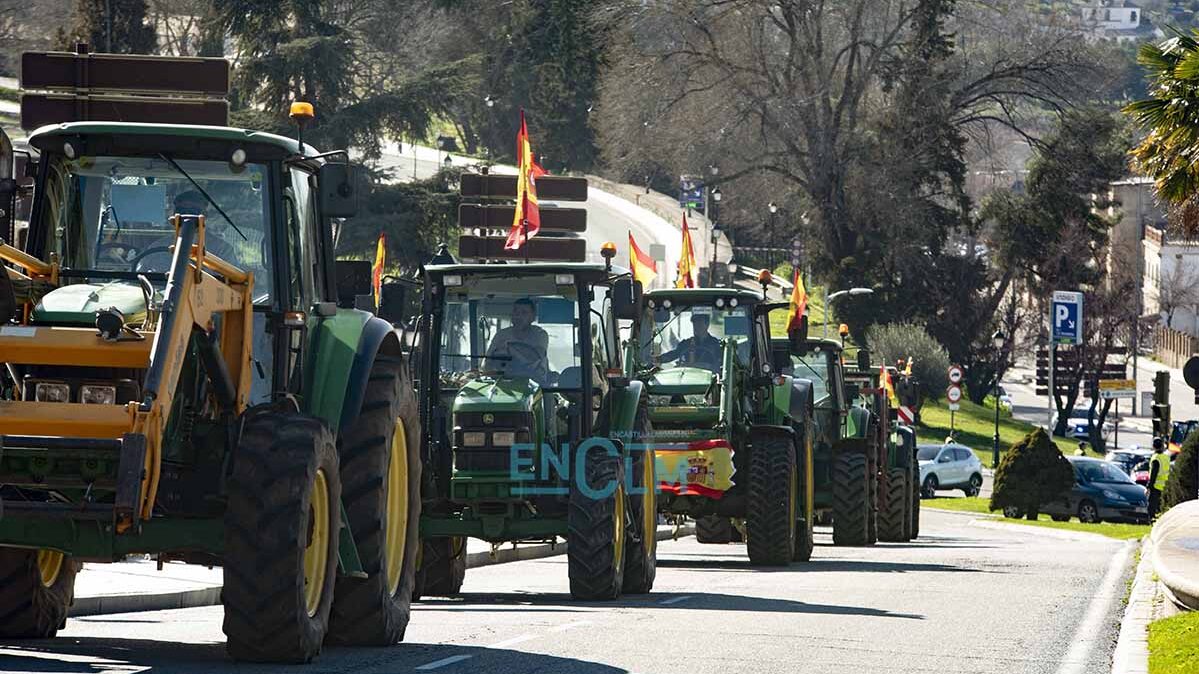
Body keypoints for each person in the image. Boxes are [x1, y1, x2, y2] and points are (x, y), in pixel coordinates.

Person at [485, 298, 550, 384]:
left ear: (532, 317)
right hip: (504, 383)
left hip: (536, 385)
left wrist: (510, 349)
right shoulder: (501, 335)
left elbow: (535, 357)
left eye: (524, 313)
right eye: (515, 312)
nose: (518, 316)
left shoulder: (539, 335)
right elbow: (487, 363)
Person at [1149, 437, 1170, 520]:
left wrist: (1149, 487)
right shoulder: (1166, 457)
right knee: (1162, 508)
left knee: (1152, 508)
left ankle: (1152, 521)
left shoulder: (1156, 458)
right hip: (1165, 486)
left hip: (1156, 486)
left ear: (1153, 446)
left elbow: (1153, 474)